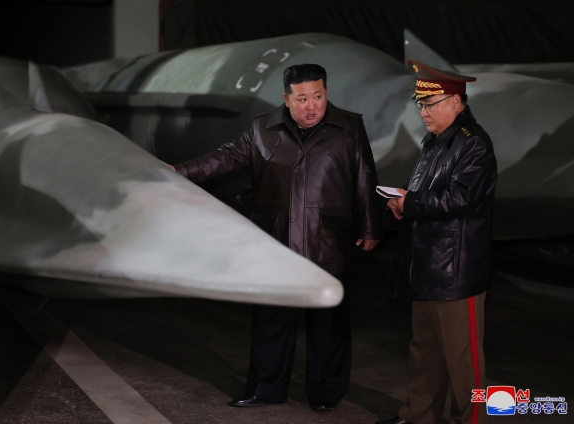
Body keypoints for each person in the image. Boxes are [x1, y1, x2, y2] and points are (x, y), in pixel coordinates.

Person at [168, 64, 383, 411]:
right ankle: (265, 389)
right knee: (270, 321)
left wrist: (371, 227)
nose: (311, 105)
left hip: (326, 241)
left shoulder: (349, 128)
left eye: (318, 96)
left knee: (328, 326)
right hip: (275, 243)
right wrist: (181, 171)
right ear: (286, 99)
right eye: (302, 99)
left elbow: (364, 177)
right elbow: (225, 158)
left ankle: (326, 394)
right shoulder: (262, 129)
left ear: (326, 93)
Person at [378, 60, 497, 424]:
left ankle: (471, 420)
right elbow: (432, 193)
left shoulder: (473, 144)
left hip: (455, 270)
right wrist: (405, 200)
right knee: (425, 350)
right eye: (421, 104)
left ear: (457, 103)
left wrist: (409, 202)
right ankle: (419, 416)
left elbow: (460, 199)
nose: (424, 112)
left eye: (431, 104)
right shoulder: (435, 142)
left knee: (463, 357)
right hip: (430, 263)